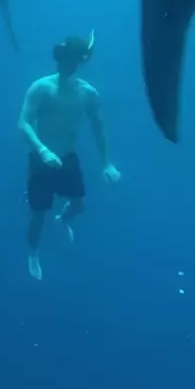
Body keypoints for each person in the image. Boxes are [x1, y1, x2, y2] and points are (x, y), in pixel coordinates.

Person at [18, 33, 121, 281]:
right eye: (63, 59)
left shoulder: (88, 93)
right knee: (38, 216)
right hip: (41, 160)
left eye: (71, 60)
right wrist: (42, 149)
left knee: (78, 206)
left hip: (67, 157)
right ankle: (33, 253)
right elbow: (23, 123)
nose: (65, 64)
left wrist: (107, 163)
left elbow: (98, 127)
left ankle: (63, 219)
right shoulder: (41, 87)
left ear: (78, 62)